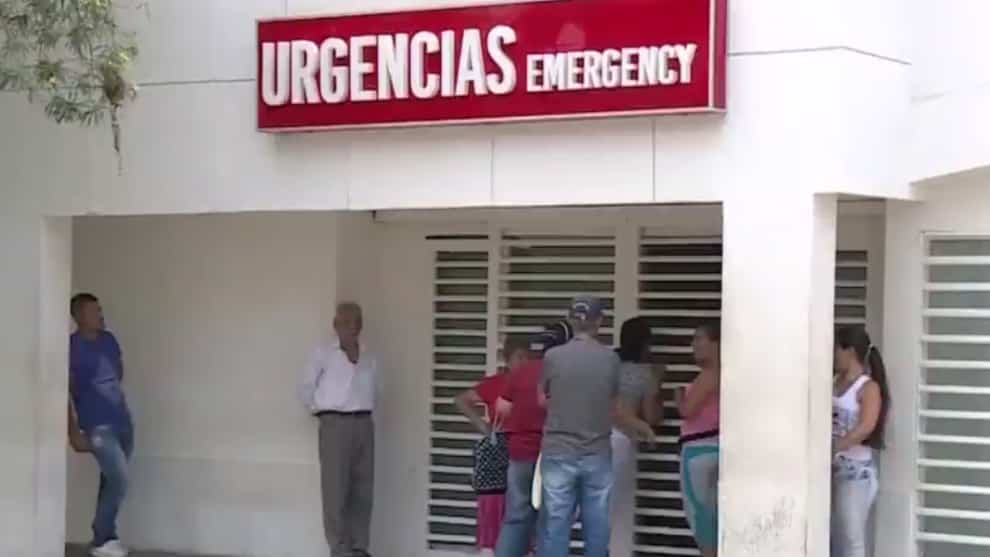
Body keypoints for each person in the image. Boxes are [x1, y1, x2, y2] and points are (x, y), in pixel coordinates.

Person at [538, 297, 656, 557]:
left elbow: (541, 399)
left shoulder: (553, 357)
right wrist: (640, 426)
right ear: (599, 322)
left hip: (558, 451)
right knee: (597, 525)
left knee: (556, 525)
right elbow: (613, 407)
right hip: (597, 452)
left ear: (570, 320)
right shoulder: (609, 360)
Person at [300, 302, 378, 557]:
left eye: (357, 321)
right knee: (335, 490)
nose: (353, 327)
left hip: (363, 423)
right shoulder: (323, 352)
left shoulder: (368, 354)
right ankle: (340, 549)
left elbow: (377, 388)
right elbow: (305, 387)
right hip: (335, 423)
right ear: (336, 325)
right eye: (346, 322)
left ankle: (359, 547)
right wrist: (323, 413)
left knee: (363, 489)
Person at [494, 321, 573, 557]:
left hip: (519, 455)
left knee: (516, 518)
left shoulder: (521, 372)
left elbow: (501, 409)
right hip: (552, 456)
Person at [68, 293, 134, 557]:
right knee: (119, 478)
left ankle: (104, 540)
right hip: (97, 426)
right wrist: (73, 432)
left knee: (110, 480)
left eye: (100, 309)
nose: (100, 315)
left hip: (122, 421)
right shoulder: (70, 347)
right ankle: (103, 536)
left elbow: (118, 372)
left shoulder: (109, 340)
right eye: (94, 311)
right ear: (79, 317)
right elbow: (63, 391)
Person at [454, 336, 532, 556]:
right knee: (494, 510)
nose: (524, 362)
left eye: (527, 357)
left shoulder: (535, 385)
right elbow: (461, 400)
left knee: (521, 510)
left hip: (525, 454)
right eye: (519, 357)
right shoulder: (496, 383)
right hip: (499, 454)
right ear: (507, 360)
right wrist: (484, 427)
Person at [831, 326, 890, 557]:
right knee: (833, 536)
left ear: (850, 351)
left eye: (836, 349)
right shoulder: (835, 381)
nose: (833, 355)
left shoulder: (868, 387)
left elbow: (865, 426)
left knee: (851, 539)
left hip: (855, 472)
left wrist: (835, 447)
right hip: (832, 468)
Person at [611, 317, 664, 540]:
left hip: (592, 437)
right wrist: (659, 384)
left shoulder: (608, 364)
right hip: (622, 440)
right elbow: (652, 415)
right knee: (615, 509)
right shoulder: (646, 374)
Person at [677, 323, 720, 557]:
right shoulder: (727, 372)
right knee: (713, 514)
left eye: (699, 339)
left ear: (716, 344)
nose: (694, 345)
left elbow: (688, 410)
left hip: (697, 449)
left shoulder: (710, 375)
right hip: (716, 445)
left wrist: (679, 396)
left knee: (699, 515)